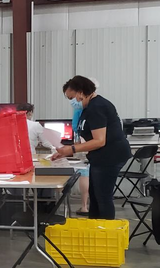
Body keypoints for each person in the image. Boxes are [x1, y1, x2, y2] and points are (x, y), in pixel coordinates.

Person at [51, 76, 131, 220]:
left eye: (71, 98)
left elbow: (99, 141)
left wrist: (72, 150)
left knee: (102, 197)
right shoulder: (89, 108)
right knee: (95, 196)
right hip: (101, 157)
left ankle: (105, 232)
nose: (71, 102)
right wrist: (66, 152)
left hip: (110, 156)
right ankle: (95, 228)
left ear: (81, 92)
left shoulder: (97, 107)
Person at [63, 79, 90, 215]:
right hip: (82, 141)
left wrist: (71, 148)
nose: (73, 100)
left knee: (84, 172)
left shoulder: (83, 108)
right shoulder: (83, 106)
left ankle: (84, 206)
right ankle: (85, 205)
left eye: (72, 97)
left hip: (82, 141)